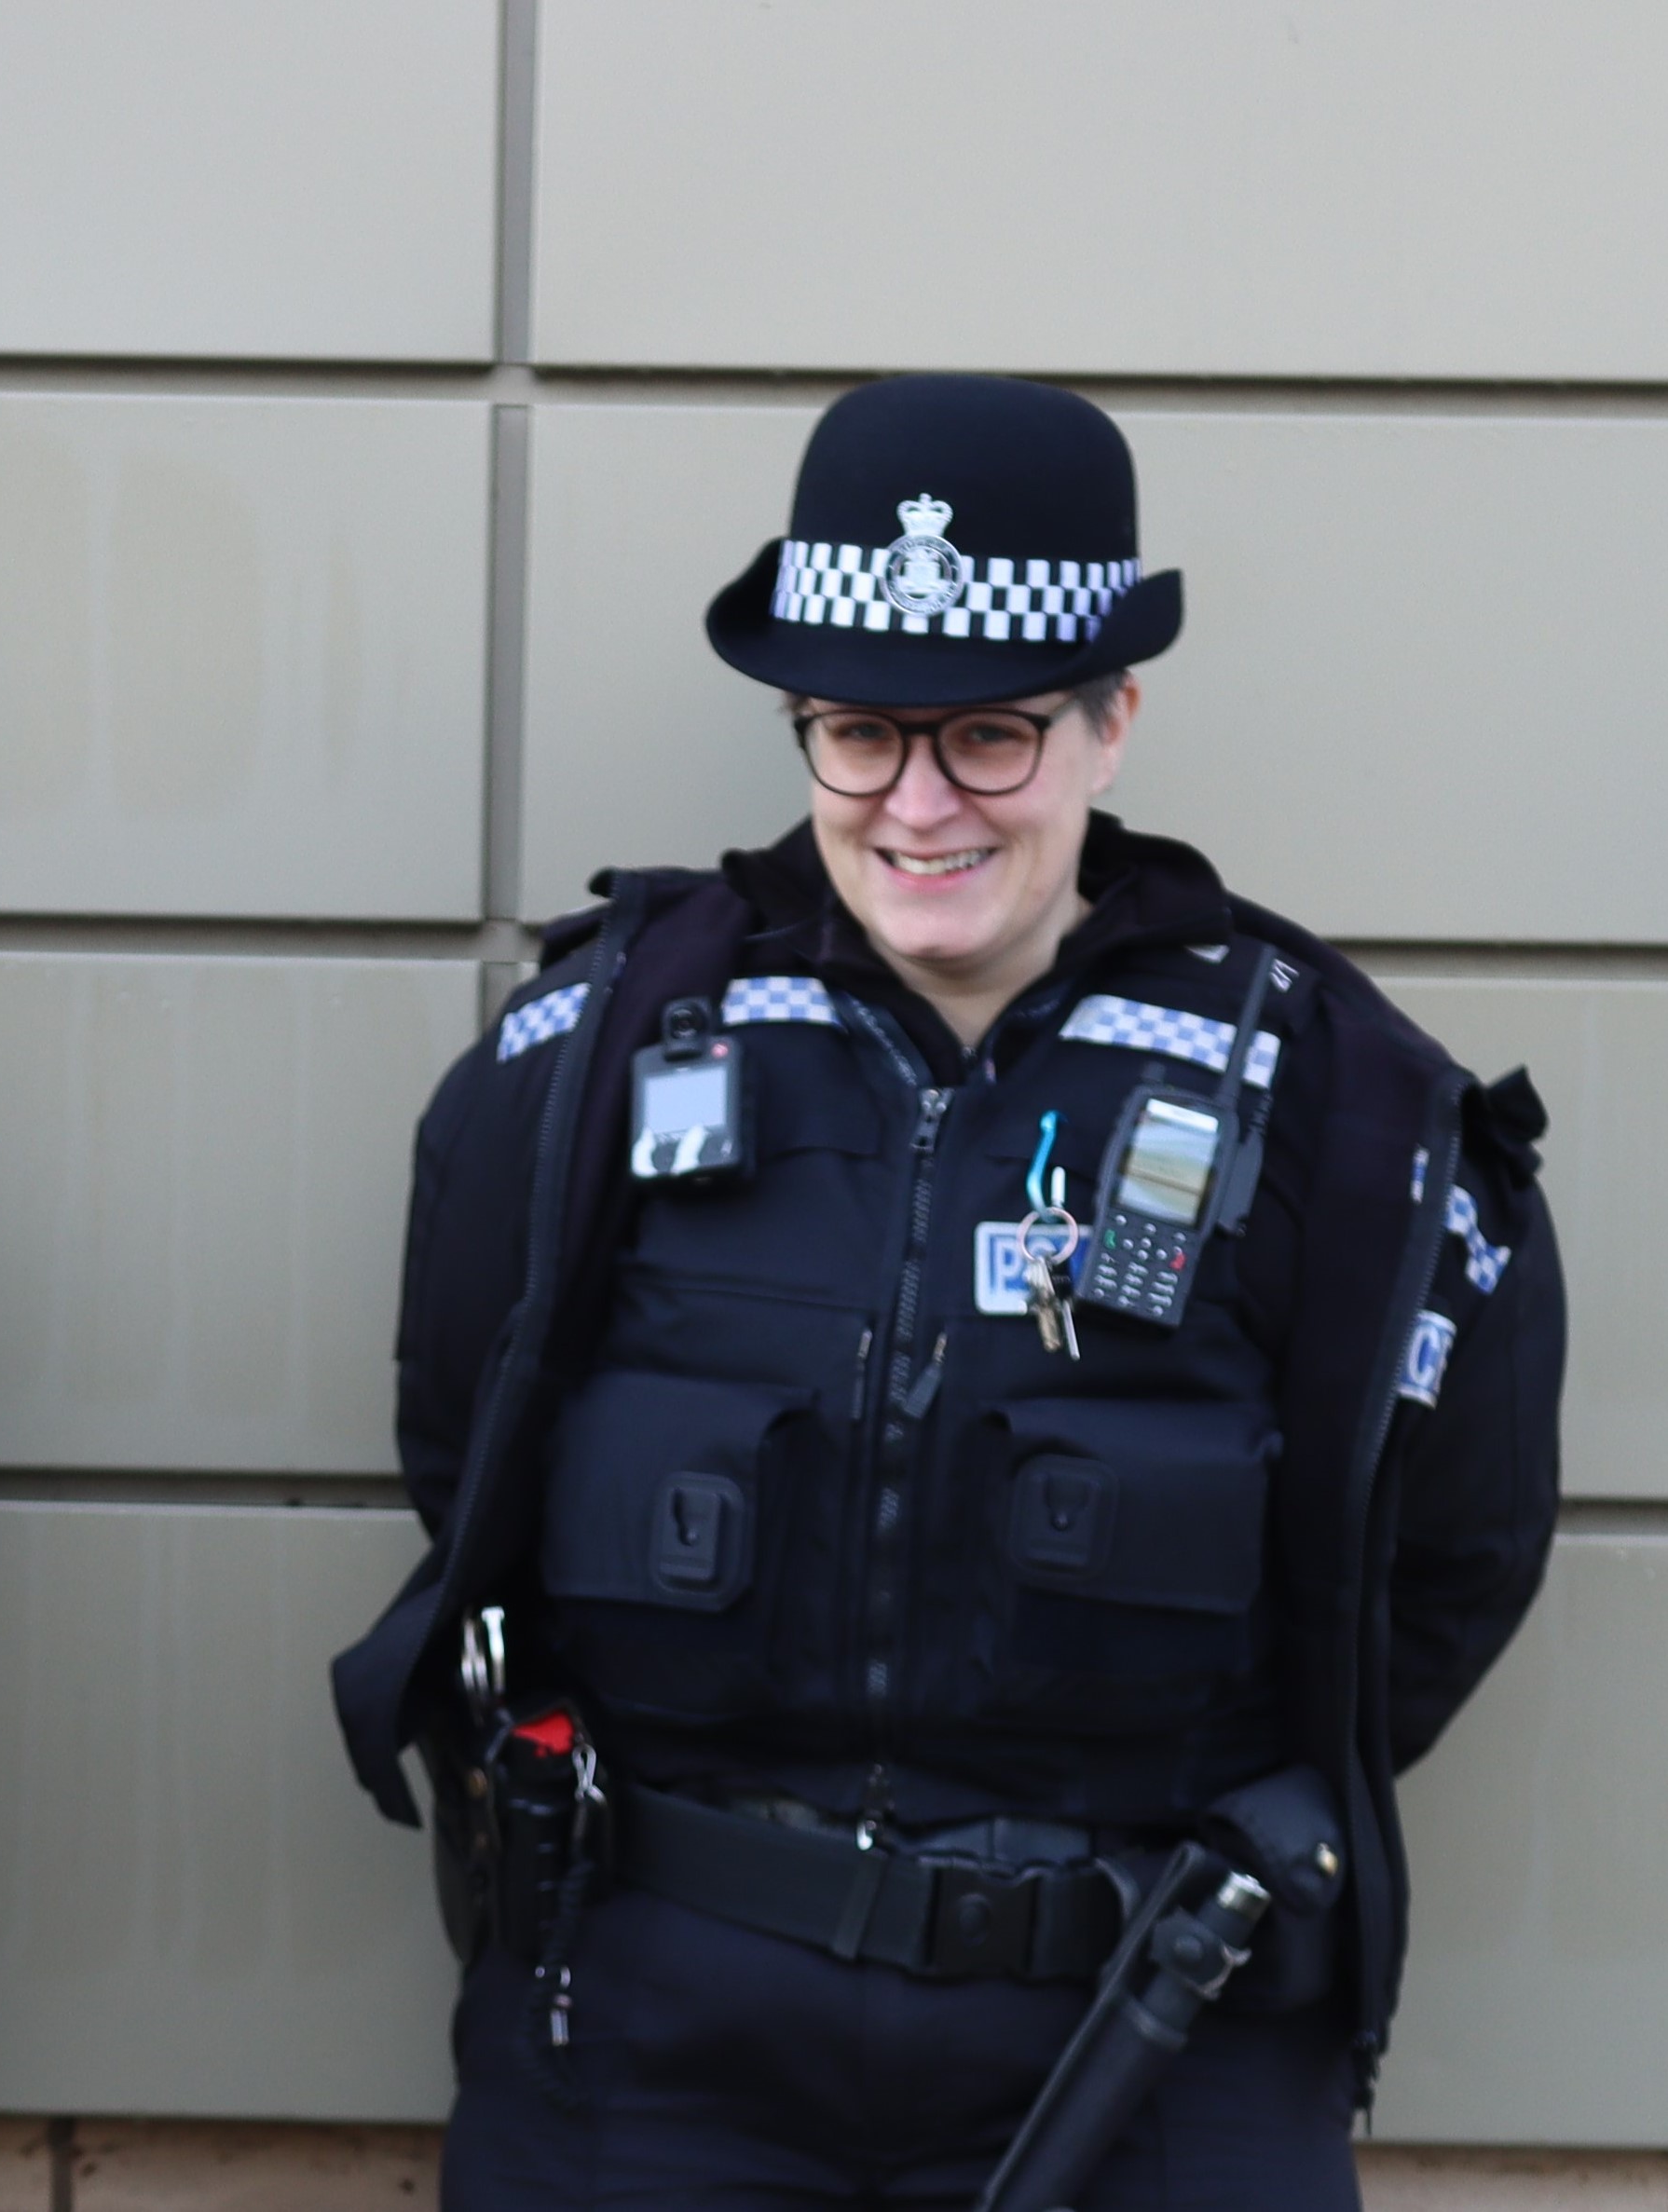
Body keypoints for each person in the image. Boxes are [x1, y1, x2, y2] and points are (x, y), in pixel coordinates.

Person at [332, 375, 1565, 2209]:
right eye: (857, 734)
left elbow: (1448, 1548)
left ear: (1109, 721)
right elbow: (468, 1434)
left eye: (987, 735)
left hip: (1143, 2030)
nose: (917, 804)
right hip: (652, 2032)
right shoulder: (587, 1056)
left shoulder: (1332, 1093)